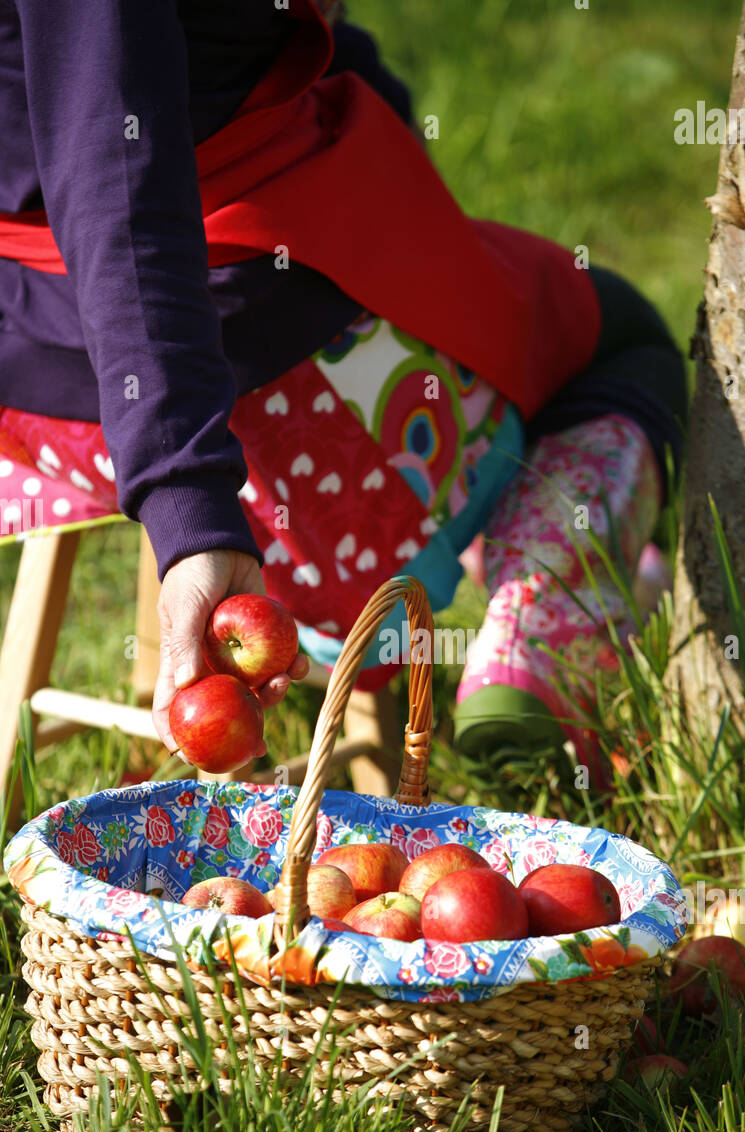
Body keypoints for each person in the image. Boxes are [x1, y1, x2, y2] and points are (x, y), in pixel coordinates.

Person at [0, 0, 686, 778]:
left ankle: (503, 552)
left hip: (34, 378)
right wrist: (188, 500)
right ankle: (540, 620)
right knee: (619, 337)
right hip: (250, 378)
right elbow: (116, 183)